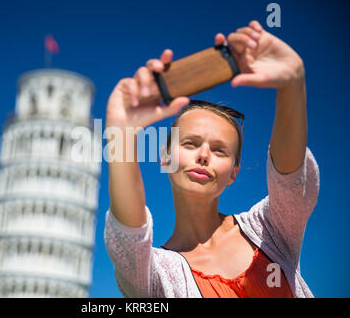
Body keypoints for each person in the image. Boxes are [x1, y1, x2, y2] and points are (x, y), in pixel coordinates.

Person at [104, 20, 320, 298]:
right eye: (191, 143)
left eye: (220, 150)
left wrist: (292, 84)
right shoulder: (154, 275)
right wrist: (121, 133)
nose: (204, 155)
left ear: (234, 172)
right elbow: (129, 238)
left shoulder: (269, 229)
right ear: (164, 158)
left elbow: (291, 181)